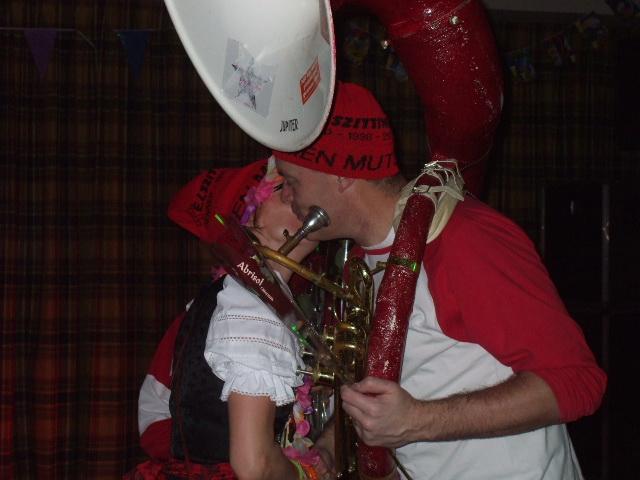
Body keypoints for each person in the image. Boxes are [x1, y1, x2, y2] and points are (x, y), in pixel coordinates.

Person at [273, 81, 607, 479]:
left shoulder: (464, 238)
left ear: (341, 176)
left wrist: (417, 420)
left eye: (292, 182)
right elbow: (381, 383)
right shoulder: (360, 262)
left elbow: (578, 381)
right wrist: (331, 443)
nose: (285, 196)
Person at [128, 158, 327, 480]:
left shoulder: (255, 296)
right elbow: (254, 465)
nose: (298, 194)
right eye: (281, 189)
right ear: (248, 221)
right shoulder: (252, 303)